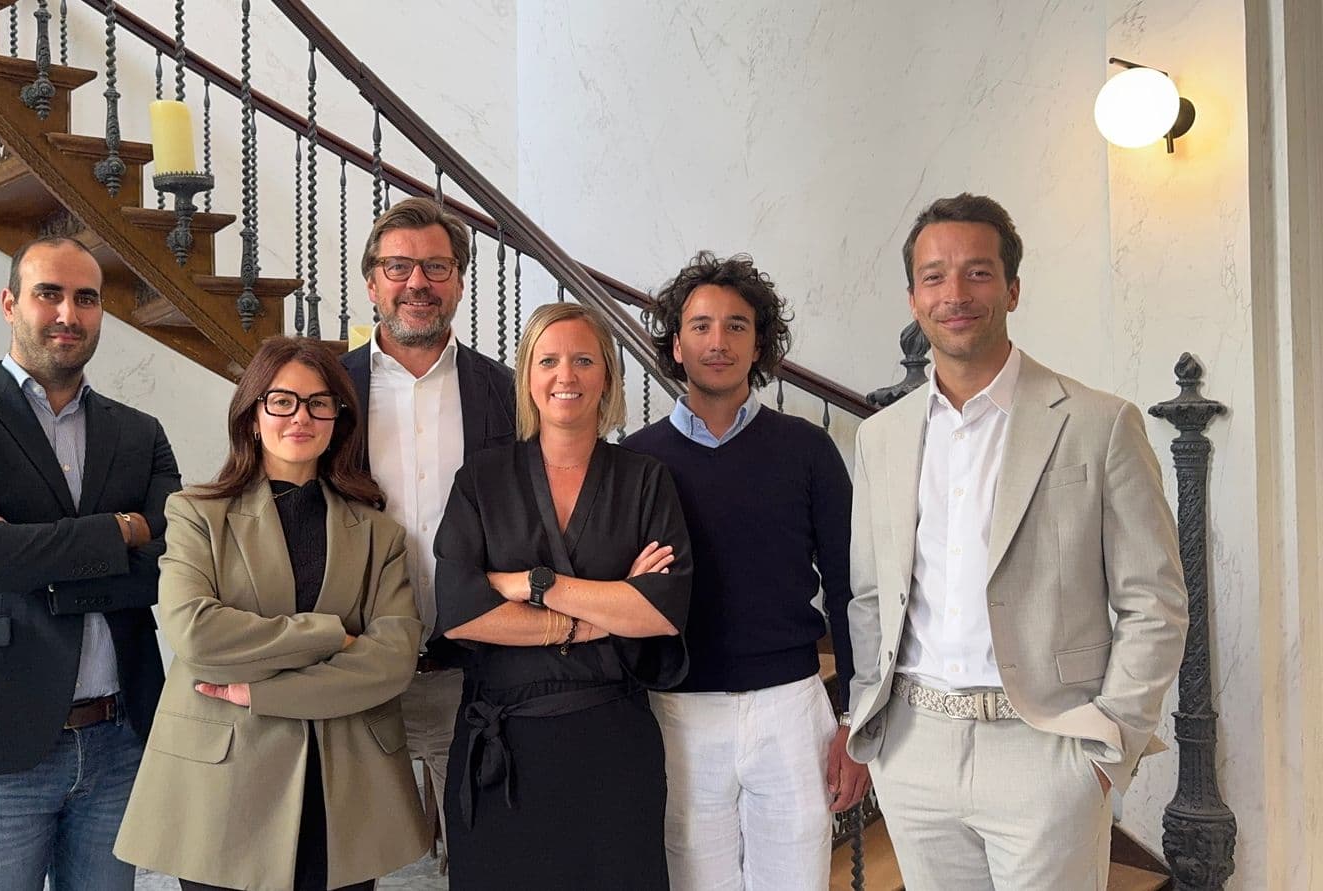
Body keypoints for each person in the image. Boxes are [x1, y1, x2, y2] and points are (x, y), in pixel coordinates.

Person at [846, 193, 1190, 890]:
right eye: (935, 276)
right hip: (916, 748)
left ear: (1013, 288)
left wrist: (1105, 746)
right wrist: (871, 720)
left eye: (978, 272)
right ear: (914, 298)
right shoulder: (880, 435)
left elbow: (1155, 600)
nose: (955, 293)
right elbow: (872, 593)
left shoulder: (1099, 423)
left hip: (1047, 750)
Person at [0, 236, 179, 890]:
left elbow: (176, 559)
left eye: (86, 298)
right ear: (10, 303)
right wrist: (121, 528)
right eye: (48, 293)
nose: (68, 314)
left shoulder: (140, 432)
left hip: (119, 736)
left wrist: (28, 551)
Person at [114, 337, 429, 891]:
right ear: (253, 415)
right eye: (281, 401)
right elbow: (197, 635)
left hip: (344, 786)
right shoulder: (195, 513)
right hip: (224, 787)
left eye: (318, 403)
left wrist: (263, 690)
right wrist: (335, 635)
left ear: (338, 418)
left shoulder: (381, 532)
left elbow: (395, 659)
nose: (301, 417)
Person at [623, 251, 867, 890]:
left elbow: (848, 588)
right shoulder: (637, 459)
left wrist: (854, 721)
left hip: (791, 708)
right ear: (675, 345)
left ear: (760, 344)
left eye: (737, 326)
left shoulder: (807, 449)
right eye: (701, 326)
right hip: (679, 711)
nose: (718, 341)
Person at [434, 301, 693, 890]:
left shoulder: (644, 480)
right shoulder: (481, 479)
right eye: (548, 361)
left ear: (607, 375)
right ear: (527, 376)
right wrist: (595, 617)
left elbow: (658, 611)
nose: (566, 376)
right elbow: (461, 613)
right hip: (505, 749)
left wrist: (536, 585)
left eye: (583, 360)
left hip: (611, 745)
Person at [339, 197, 516, 868]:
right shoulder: (329, 389)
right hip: (354, 668)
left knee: (478, 857)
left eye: (436, 266)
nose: (418, 282)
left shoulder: (505, 392)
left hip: (466, 675)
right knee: (346, 862)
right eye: (399, 266)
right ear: (371, 280)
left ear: (460, 281)